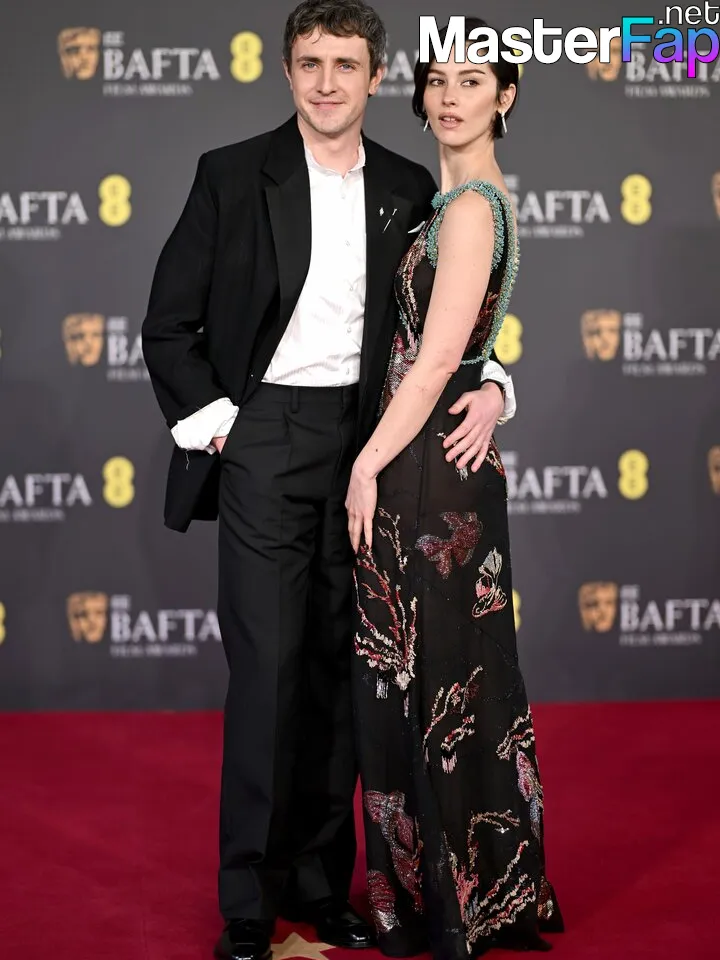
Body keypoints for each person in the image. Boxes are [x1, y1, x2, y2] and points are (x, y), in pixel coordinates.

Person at [141, 3, 516, 958]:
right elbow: (168, 325)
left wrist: (497, 384)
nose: (326, 82)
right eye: (310, 63)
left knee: (343, 679)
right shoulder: (231, 174)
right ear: (287, 70)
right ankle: (250, 903)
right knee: (268, 674)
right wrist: (228, 432)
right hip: (264, 437)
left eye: (346, 64)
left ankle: (321, 884)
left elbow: (448, 318)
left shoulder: (406, 185)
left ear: (376, 76)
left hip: (368, 448)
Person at [346, 16, 564, 959]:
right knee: (447, 677)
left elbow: (437, 360)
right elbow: (469, 349)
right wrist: (498, 384)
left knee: (431, 680)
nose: (449, 96)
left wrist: (365, 463)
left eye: (472, 80)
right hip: (437, 457)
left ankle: (447, 902)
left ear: (505, 97)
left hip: (427, 472)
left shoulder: (472, 207)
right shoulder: (461, 200)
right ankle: (473, 892)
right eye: (437, 78)